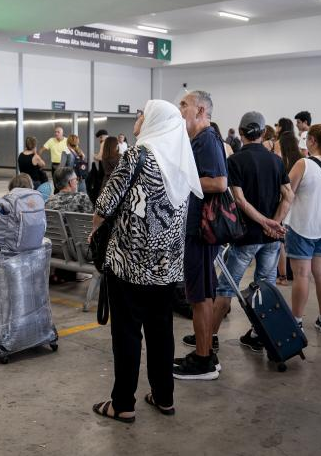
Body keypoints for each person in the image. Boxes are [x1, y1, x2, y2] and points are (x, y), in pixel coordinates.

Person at [90, 99, 202, 423]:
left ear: (154, 120)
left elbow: (105, 204)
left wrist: (94, 234)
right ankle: (164, 397)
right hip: (166, 267)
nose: (138, 119)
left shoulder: (137, 155)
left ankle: (123, 403)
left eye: (143, 114)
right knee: (161, 332)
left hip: (129, 263)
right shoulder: (181, 158)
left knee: (127, 334)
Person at [198, 112, 292, 359]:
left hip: (246, 236)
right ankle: (259, 336)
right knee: (265, 287)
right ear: (264, 133)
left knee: (226, 288)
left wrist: (264, 222)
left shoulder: (236, 161)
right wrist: (274, 224)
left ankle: (210, 338)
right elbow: (288, 195)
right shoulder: (276, 161)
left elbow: (239, 200)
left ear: (240, 133)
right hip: (271, 239)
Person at [173, 90, 227, 381]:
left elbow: (219, 182)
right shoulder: (198, 140)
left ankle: (203, 360)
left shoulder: (206, 139)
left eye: (185, 104)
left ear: (201, 110)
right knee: (200, 294)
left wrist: (178, 178)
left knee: (200, 295)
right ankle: (204, 354)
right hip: (197, 230)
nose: (180, 108)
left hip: (201, 232)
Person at [284, 124, 321, 333]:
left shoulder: (303, 164)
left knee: (302, 275)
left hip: (302, 225)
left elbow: (287, 193)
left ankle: (297, 321)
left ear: (312, 141)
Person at [274, 117, 303, 284]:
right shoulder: (300, 155)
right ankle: (291, 273)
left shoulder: (279, 150)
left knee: (280, 240)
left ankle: (282, 276)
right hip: (297, 201)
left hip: (283, 199)